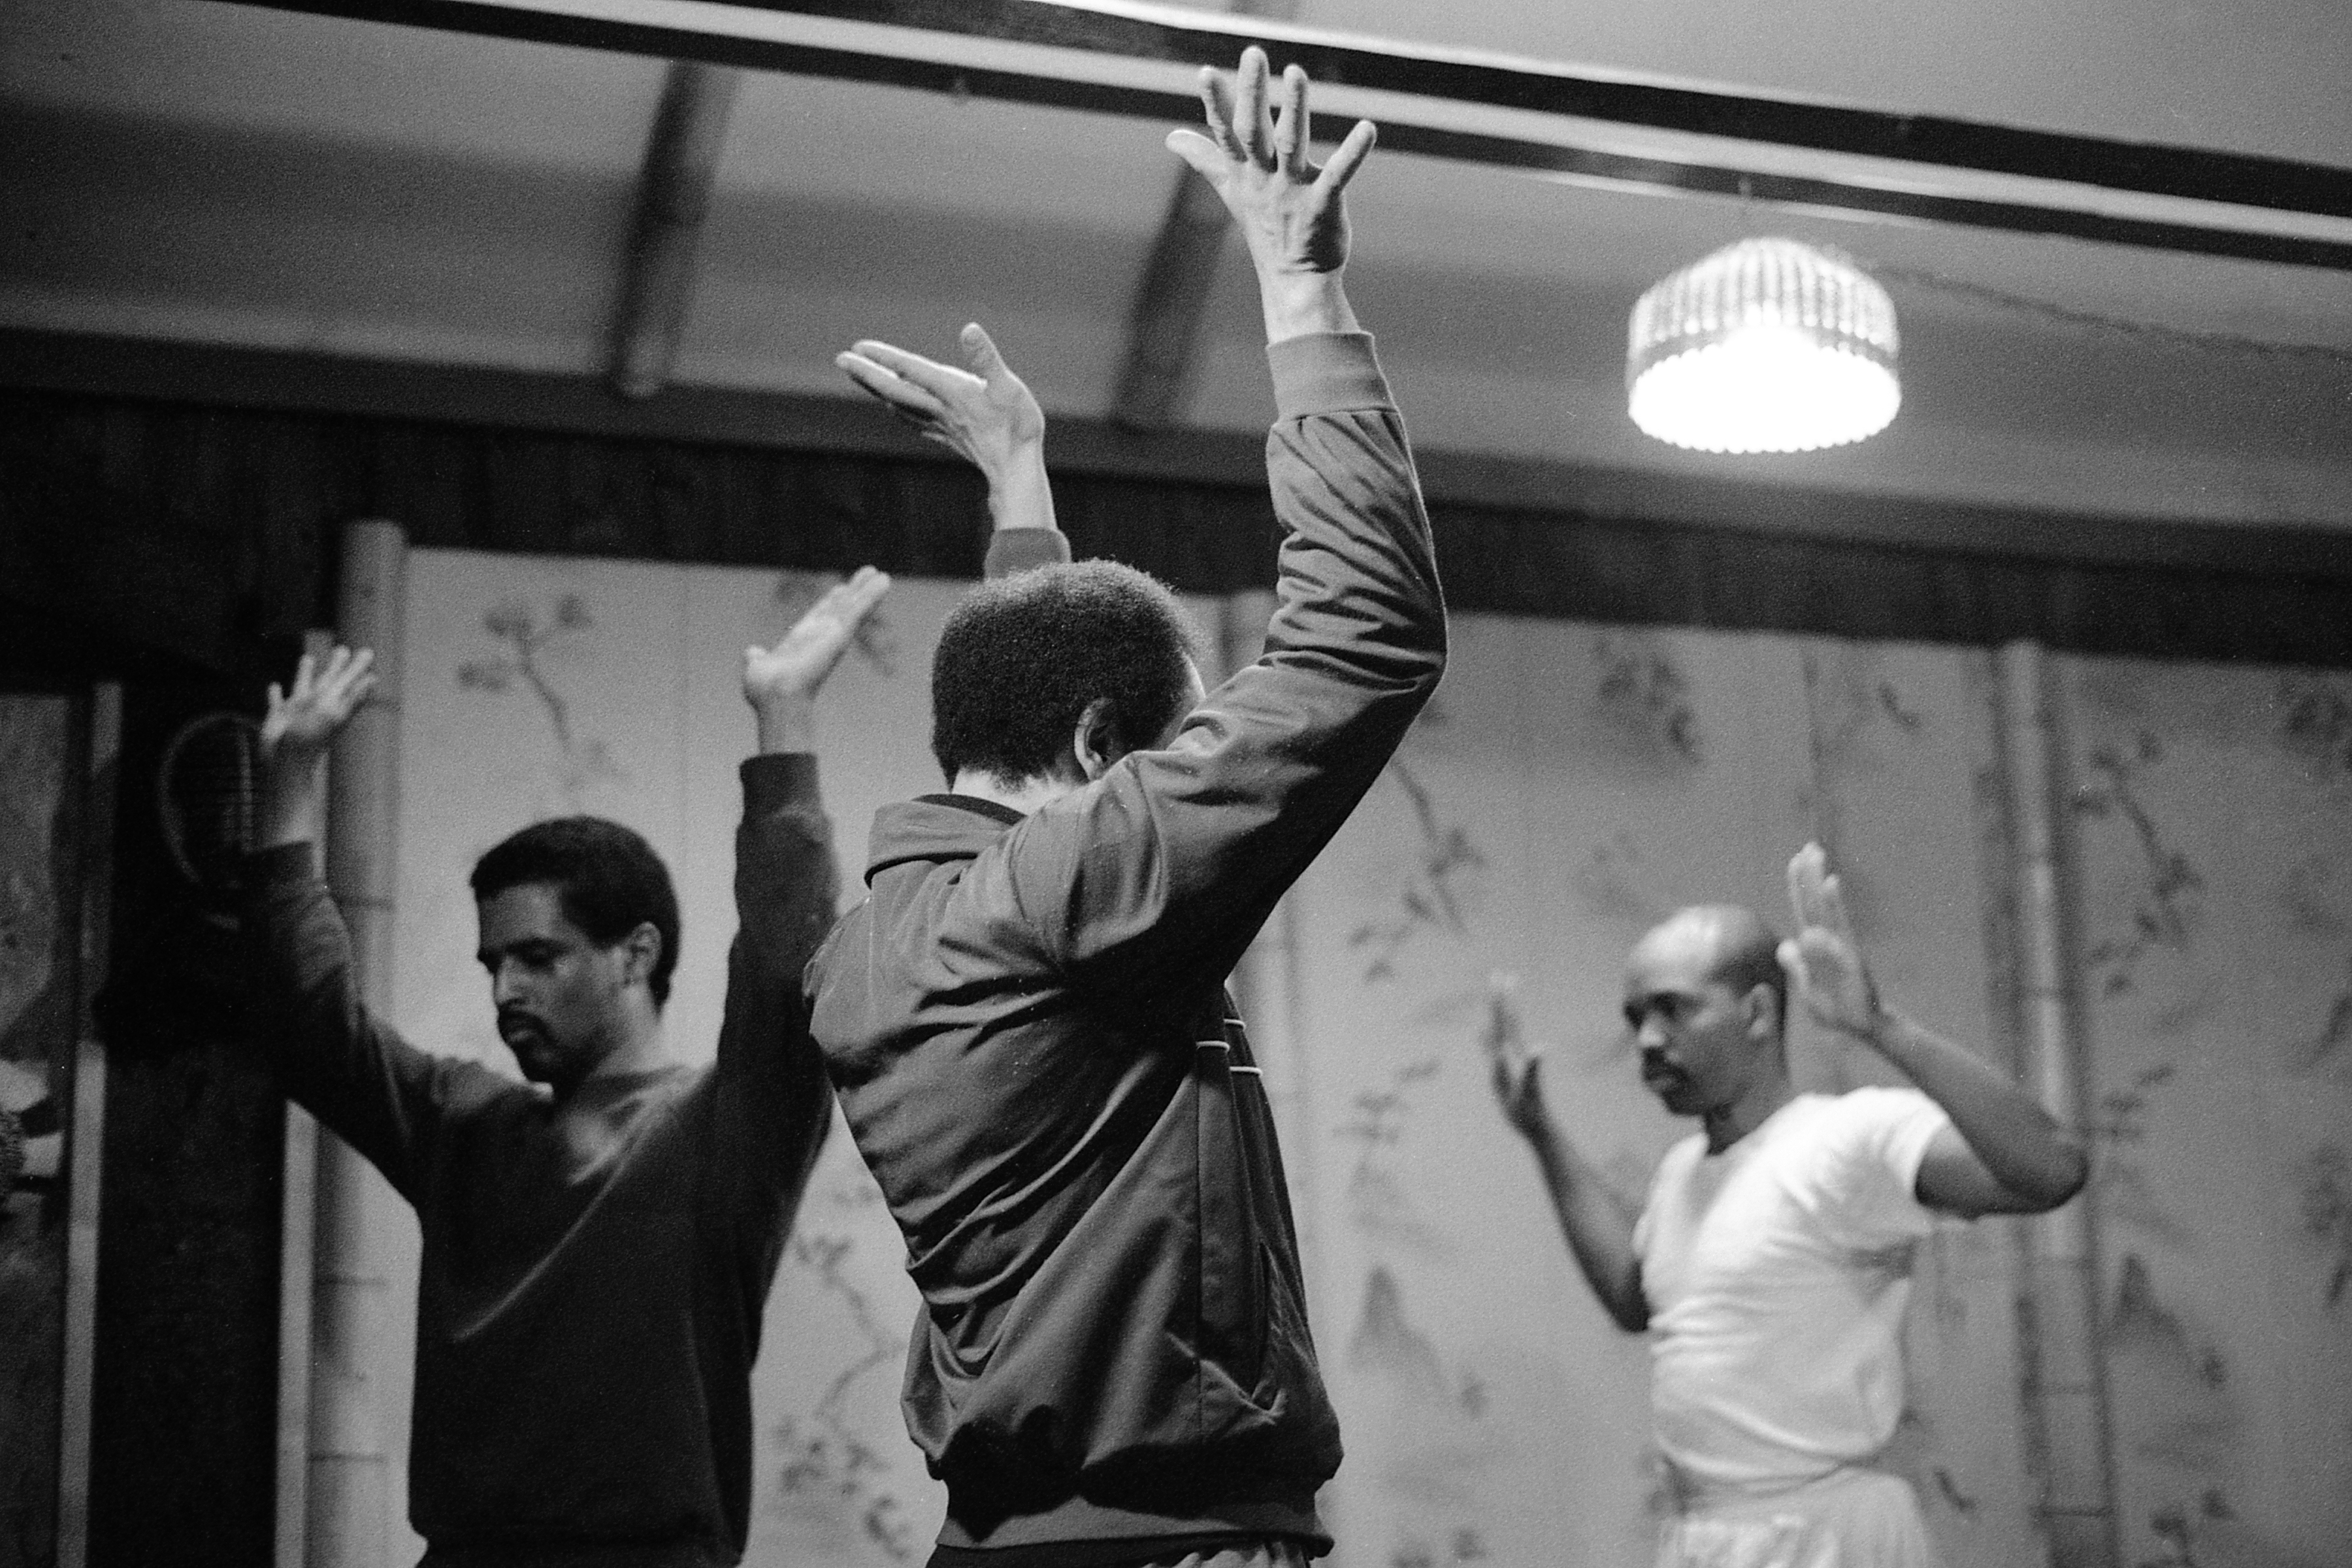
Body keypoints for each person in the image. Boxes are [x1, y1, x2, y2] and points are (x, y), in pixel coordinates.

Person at [806, 46, 1443, 1568]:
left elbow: (1034, 713)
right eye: (1156, 756)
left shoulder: (873, 939)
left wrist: (1021, 489)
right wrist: (1300, 290)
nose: (1168, 792)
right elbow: (1367, 632)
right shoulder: (1067, 897)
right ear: (1106, 744)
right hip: (1167, 1547)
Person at [244, 567, 888, 1567]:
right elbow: (308, 1030)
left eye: (537, 959)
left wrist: (785, 720)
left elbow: (782, 962)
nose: (505, 992)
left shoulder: (724, 1133)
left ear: (634, 953)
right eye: (495, 964)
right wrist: (288, 784)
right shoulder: (466, 1122)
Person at [1488, 842, 2089, 1567]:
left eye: (1674, 1010)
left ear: (1758, 1013)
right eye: (1637, 1015)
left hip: (1829, 1539)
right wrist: (1541, 1134)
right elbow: (1633, 1298)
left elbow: (2052, 1170)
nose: (1646, 1040)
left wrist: (1881, 1025)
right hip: (1706, 1536)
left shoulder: (1846, 1139)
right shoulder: (1683, 1171)